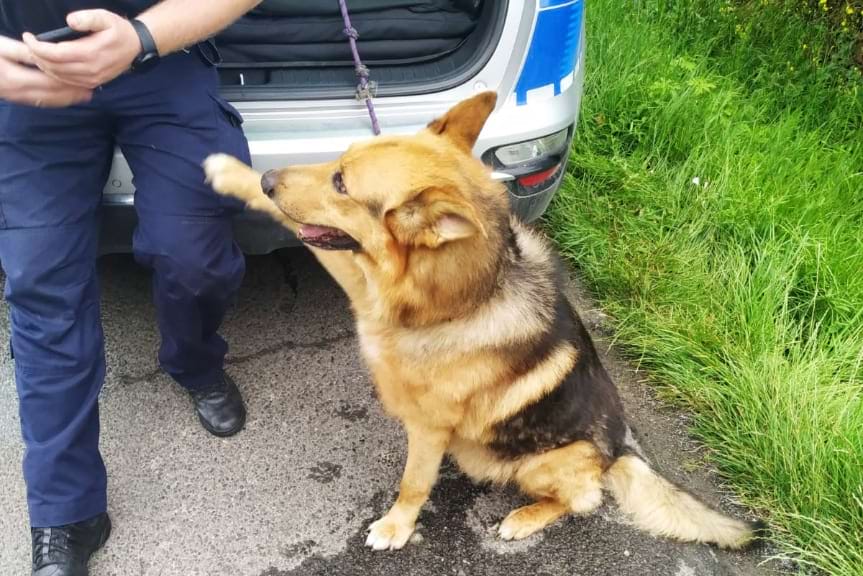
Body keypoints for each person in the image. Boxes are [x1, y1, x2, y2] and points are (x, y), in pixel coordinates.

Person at [0, 1, 262, 574]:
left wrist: (143, 35)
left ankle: (194, 363)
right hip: (24, 67)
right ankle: (67, 511)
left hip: (160, 56)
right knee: (39, 282)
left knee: (193, 255)